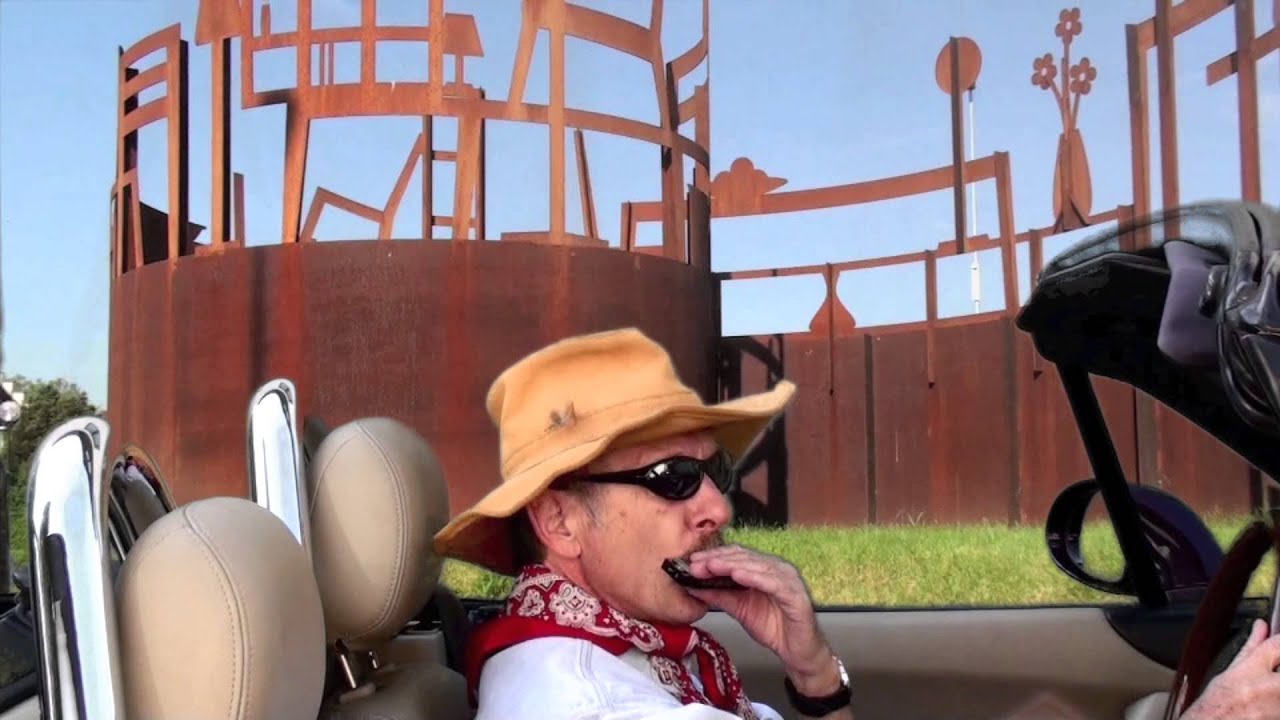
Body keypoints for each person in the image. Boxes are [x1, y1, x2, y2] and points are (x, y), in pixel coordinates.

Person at [432, 327, 1280, 720]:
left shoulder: (642, 656)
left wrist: (812, 670)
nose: (717, 508)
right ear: (559, 521)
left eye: (713, 475)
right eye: (671, 479)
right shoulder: (585, 700)